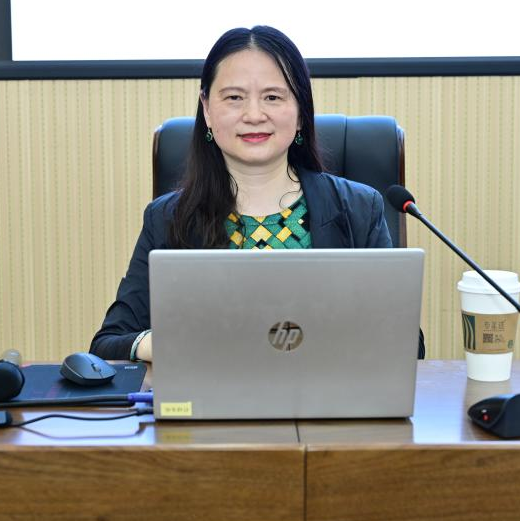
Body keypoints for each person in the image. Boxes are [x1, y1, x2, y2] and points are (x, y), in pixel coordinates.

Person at [90, 25, 418, 362]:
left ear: (301, 112)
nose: (254, 115)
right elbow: (109, 342)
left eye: (273, 97)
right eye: (234, 98)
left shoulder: (359, 209)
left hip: (329, 392)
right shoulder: (167, 218)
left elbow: (408, 340)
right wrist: (168, 344)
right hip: (212, 393)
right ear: (207, 109)